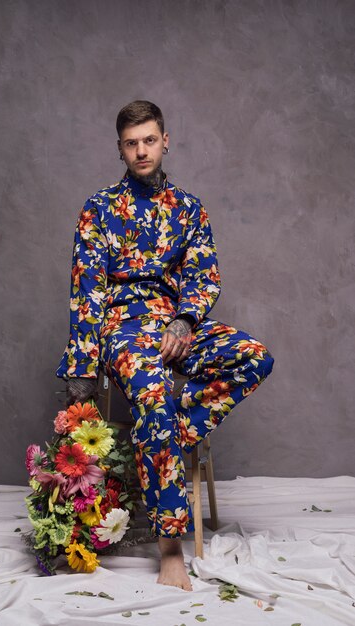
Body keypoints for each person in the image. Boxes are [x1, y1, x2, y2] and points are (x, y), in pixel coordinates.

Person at [56, 100, 274, 590]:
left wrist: (183, 320)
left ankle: (164, 434)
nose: (141, 150)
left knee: (255, 358)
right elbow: (85, 292)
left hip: (177, 326)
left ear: (165, 140)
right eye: (131, 143)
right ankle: (170, 549)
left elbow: (203, 275)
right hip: (124, 329)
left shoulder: (189, 208)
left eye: (149, 140)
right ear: (119, 149)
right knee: (151, 395)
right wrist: (83, 367)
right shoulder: (98, 210)